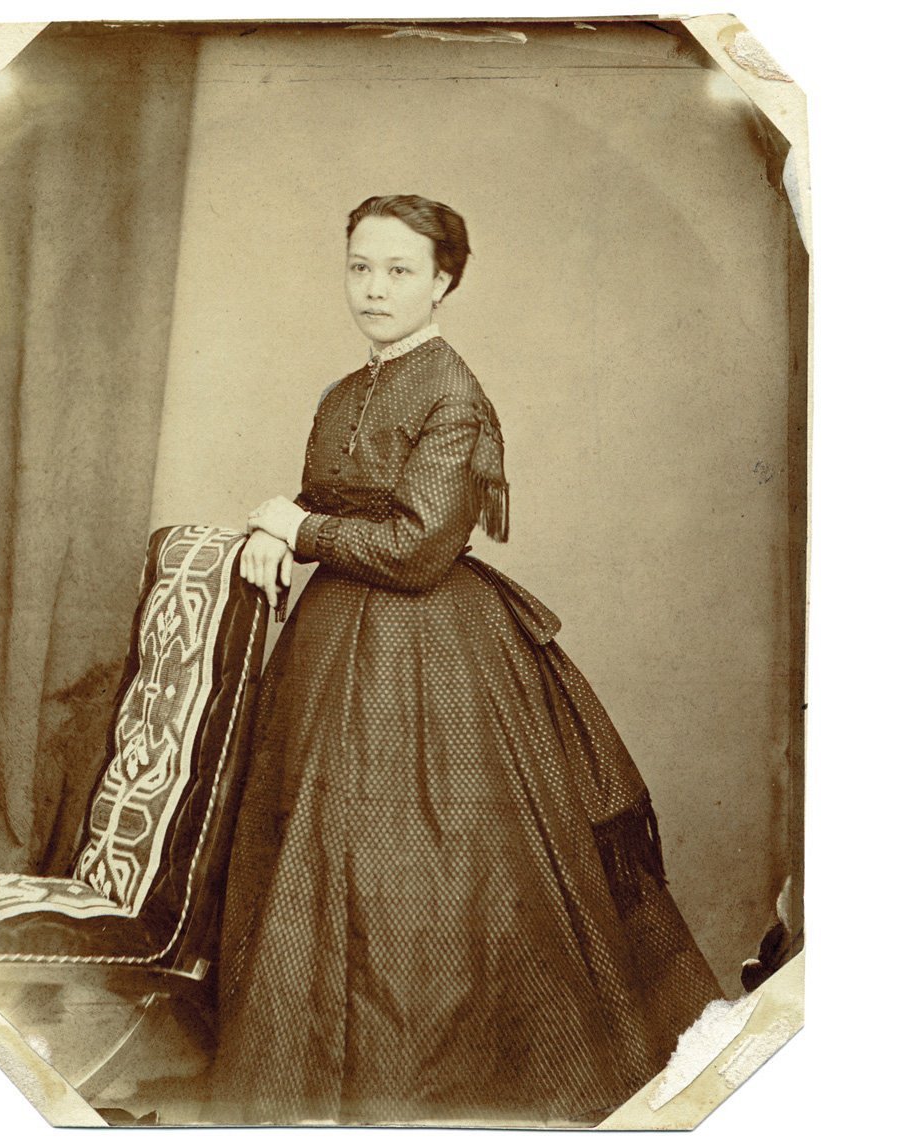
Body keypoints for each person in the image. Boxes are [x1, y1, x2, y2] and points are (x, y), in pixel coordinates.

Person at [210, 195, 722, 1126]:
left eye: (399, 271)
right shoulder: (342, 391)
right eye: (360, 267)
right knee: (313, 856)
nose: (375, 289)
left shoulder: (454, 393)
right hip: (329, 652)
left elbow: (416, 548)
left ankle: (428, 1092)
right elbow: (334, 498)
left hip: (431, 657)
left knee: (429, 871)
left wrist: (300, 529)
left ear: (443, 281)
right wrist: (279, 531)